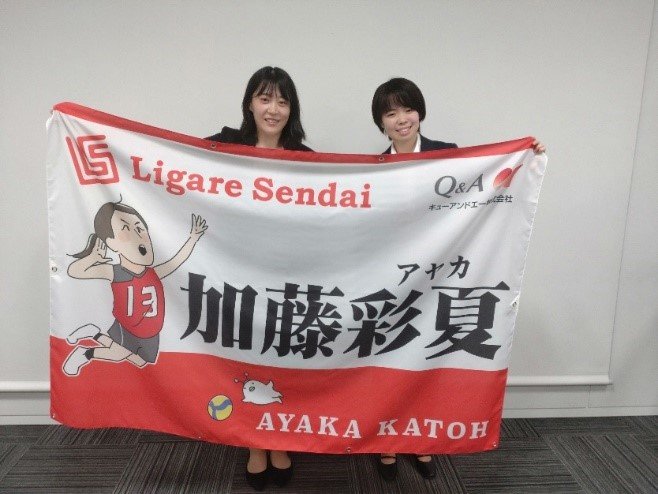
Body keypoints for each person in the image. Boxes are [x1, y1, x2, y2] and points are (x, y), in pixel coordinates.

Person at [370, 77, 545, 482]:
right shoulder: (373, 167)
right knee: (391, 359)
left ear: (420, 112)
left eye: (408, 109)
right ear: (381, 122)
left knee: (427, 359)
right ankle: (387, 442)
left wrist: (528, 155)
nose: (402, 119)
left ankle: (420, 440)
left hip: (441, 276)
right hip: (393, 279)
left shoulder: (449, 155)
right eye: (391, 113)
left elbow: (487, 186)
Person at [207, 66, 311, 491]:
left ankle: (278, 437)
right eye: (265, 98)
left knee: (281, 358)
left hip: (286, 276)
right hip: (235, 274)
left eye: (283, 101)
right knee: (244, 357)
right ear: (249, 103)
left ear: (292, 109)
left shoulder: (307, 158)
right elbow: (165, 162)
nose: (273, 109)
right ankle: (254, 442)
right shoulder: (222, 145)